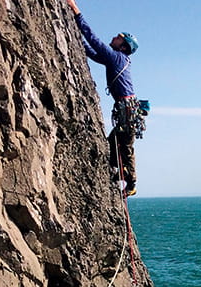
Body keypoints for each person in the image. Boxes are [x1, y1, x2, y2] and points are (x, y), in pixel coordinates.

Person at [66, 0, 143, 197]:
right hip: (127, 107)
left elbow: (95, 41)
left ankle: (131, 182)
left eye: (118, 38)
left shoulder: (116, 57)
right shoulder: (116, 59)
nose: (113, 38)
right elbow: (92, 52)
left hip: (126, 107)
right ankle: (122, 171)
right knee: (115, 142)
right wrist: (74, 36)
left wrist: (76, 13)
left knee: (124, 144)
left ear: (123, 46)